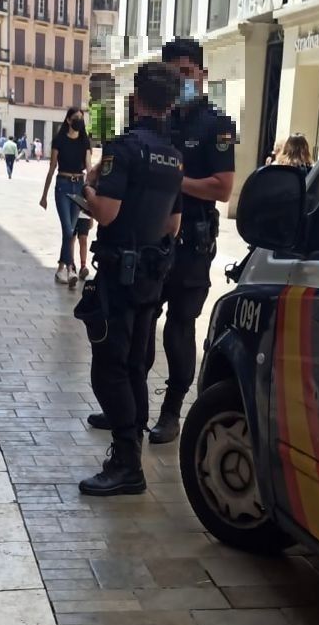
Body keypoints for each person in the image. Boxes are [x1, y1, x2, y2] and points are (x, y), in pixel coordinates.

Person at [87, 38, 235, 445]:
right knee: (139, 328)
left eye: (186, 72)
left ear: (201, 75)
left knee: (178, 329)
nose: (180, 80)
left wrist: (164, 178)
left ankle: (171, 412)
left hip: (189, 243)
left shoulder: (215, 124)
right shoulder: (158, 121)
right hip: (149, 240)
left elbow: (222, 188)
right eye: (173, 73)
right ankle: (129, 411)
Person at [77, 62, 183, 497]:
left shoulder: (124, 149)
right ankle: (132, 436)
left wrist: (87, 189)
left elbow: (107, 212)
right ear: (171, 104)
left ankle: (126, 462)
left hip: (121, 272)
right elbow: (174, 224)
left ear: (136, 98)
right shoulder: (175, 157)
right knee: (137, 362)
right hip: (152, 274)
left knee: (109, 369)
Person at [40, 107, 91, 287]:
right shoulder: (59, 140)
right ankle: (70, 269)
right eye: (76, 118)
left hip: (78, 185)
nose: (79, 121)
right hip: (62, 185)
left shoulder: (85, 141)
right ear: (68, 120)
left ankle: (61, 268)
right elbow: (52, 167)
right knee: (69, 231)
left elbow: (89, 168)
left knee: (69, 231)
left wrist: (90, 193)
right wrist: (44, 195)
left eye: (81, 118)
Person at [74, 213, 93, 279]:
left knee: (83, 240)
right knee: (71, 239)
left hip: (85, 215)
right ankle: (71, 265)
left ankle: (83, 266)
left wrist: (91, 217)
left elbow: (91, 202)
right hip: (73, 212)